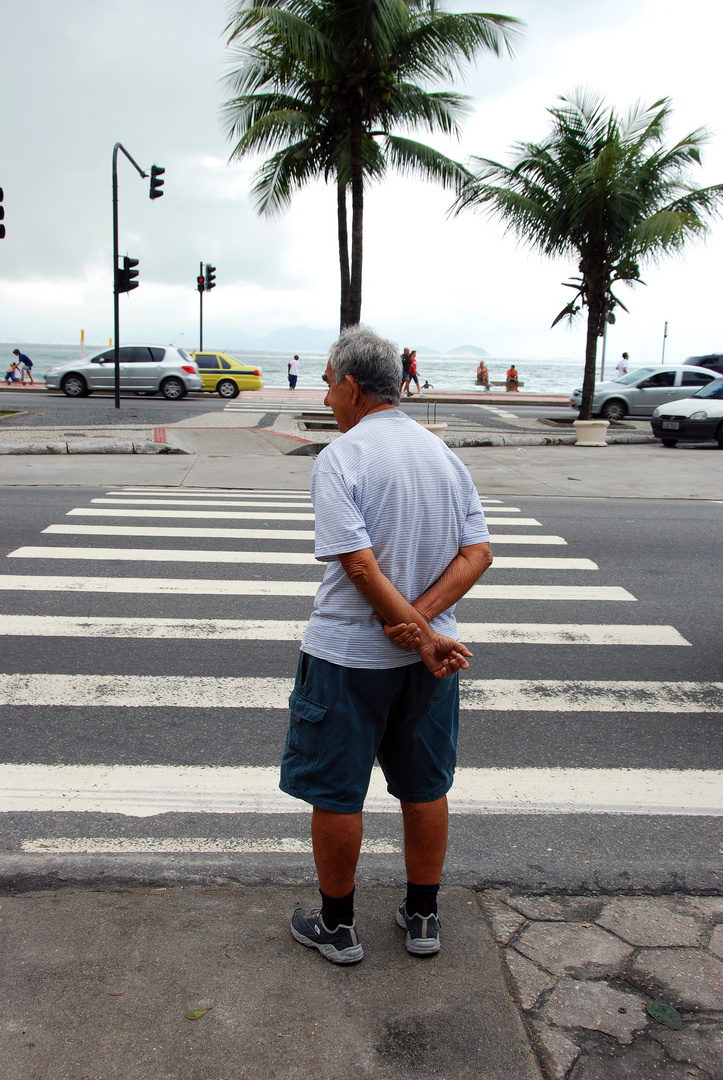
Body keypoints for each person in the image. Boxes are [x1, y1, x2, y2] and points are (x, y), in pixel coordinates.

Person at [280, 326, 493, 965]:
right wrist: (427, 632)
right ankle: (423, 915)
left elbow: (361, 568)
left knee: (336, 791)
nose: (325, 400)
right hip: (432, 662)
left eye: (326, 385)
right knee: (425, 786)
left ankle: (339, 927)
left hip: (348, 658)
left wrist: (411, 630)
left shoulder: (341, 457)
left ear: (350, 385)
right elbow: (477, 552)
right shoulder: (442, 455)